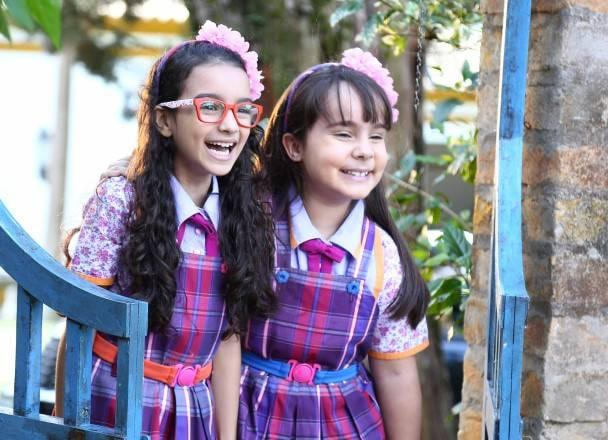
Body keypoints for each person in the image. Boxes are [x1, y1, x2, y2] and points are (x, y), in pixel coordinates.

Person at [55, 21, 276, 440]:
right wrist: (67, 425)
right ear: (164, 120)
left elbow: (228, 341)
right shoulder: (122, 199)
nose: (230, 125)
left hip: (196, 412)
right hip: (113, 403)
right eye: (209, 107)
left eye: (243, 109)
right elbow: (79, 324)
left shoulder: (246, 213)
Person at [238, 49, 430, 439]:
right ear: (294, 146)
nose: (364, 149)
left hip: (344, 425)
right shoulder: (250, 225)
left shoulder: (383, 256)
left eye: (375, 136)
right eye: (344, 134)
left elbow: (395, 371)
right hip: (248, 417)